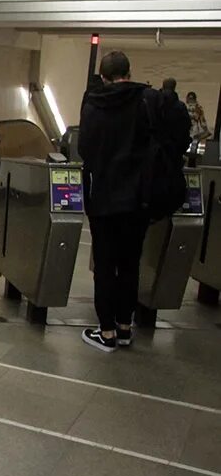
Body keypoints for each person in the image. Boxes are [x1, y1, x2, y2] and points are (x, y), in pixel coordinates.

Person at [78, 51, 153, 353]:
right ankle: (125, 326)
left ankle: (106, 331)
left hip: (104, 196)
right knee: (130, 263)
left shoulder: (95, 105)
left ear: (104, 76)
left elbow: (85, 148)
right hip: (138, 197)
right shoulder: (147, 101)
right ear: (129, 71)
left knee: (105, 264)